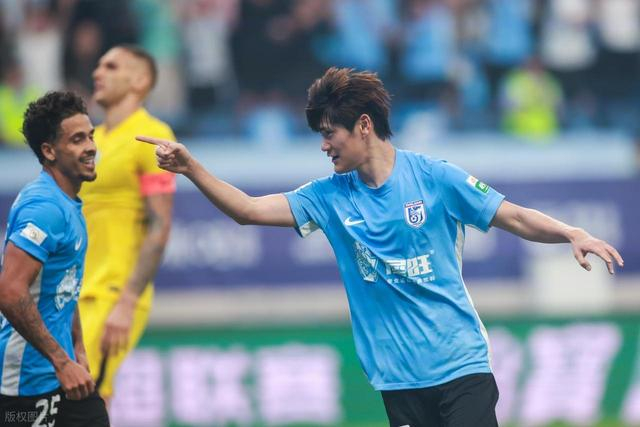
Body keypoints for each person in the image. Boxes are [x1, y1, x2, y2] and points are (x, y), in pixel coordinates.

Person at [138, 67, 624, 427]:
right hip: (399, 382)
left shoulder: (434, 177)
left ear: (364, 126)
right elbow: (247, 210)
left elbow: (512, 215)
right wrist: (192, 168)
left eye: (329, 133)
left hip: (461, 368)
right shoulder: (327, 197)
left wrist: (571, 233)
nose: (324, 146)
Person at [0, 91, 109, 426]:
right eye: (77, 140)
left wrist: (78, 347)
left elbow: (65, 284)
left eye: (90, 136)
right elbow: (10, 291)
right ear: (49, 151)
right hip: (24, 387)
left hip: (62, 375)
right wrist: (61, 362)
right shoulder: (44, 208)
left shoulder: (66, 202)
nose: (91, 147)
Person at [78, 45, 175, 405]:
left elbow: (160, 225)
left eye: (111, 66)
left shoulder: (153, 136)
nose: (97, 73)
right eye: (98, 65)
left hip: (113, 292)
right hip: (75, 292)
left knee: (84, 399)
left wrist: (128, 301)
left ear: (139, 80)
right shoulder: (91, 139)